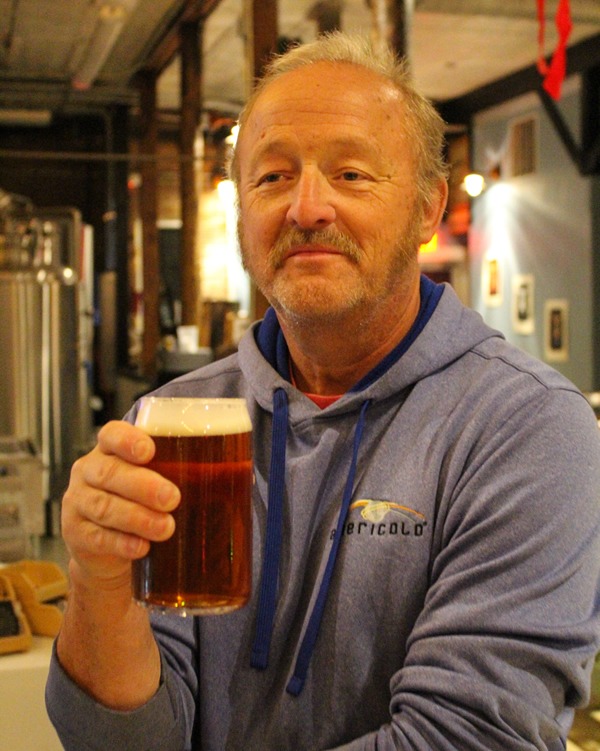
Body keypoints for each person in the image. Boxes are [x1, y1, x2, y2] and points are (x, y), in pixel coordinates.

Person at [46, 32, 600, 751]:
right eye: (272, 177)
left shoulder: (527, 428)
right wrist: (96, 580)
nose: (307, 207)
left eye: (351, 174)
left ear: (428, 209)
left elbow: (469, 737)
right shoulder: (174, 422)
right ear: (243, 214)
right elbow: (121, 739)